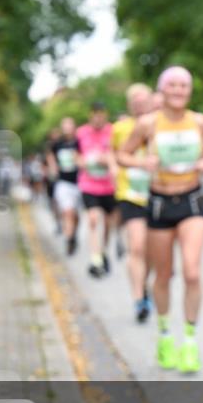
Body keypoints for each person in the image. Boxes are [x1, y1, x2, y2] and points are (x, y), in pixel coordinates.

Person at [118, 66, 203, 373]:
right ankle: (164, 335)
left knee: (192, 272)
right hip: (159, 203)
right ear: (162, 90)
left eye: (184, 85)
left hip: (192, 199)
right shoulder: (148, 123)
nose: (178, 90)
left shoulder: (199, 121)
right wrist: (141, 161)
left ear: (190, 90)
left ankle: (189, 340)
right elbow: (123, 155)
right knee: (163, 275)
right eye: (172, 85)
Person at [110, 83, 156, 322]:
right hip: (129, 193)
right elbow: (114, 153)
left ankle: (145, 285)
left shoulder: (158, 124)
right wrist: (112, 168)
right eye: (135, 102)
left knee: (151, 251)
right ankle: (139, 299)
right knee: (136, 246)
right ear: (130, 105)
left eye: (143, 101)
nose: (139, 105)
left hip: (156, 193)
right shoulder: (120, 128)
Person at [76, 102, 117, 278]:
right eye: (95, 115)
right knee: (93, 219)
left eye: (101, 115)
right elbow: (75, 155)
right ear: (90, 116)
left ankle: (103, 250)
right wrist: (83, 162)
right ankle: (95, 259)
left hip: (109, 186)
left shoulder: (113, 131)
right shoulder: (81, 133)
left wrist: (107, 160)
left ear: (105, 116)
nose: (98, 118)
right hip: (89, 184)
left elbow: (119, 154)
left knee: (108, 224)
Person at [46, 118, 82, 255]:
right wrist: (53, 167)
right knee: (68, 212)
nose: (67, 128)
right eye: (64, 126)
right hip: (63, 182)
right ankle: (69, 238)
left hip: (79, 182)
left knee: (76, 215)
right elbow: (50, 154)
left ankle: (73, 234)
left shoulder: (79, 142)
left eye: (70, 125)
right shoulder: (58, 143)